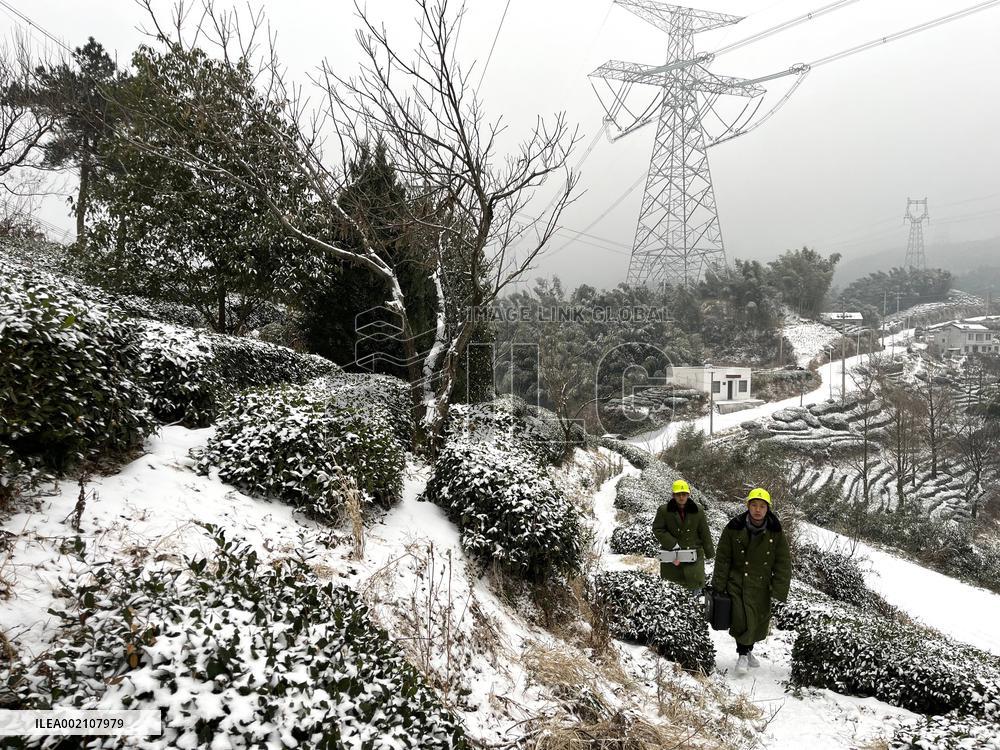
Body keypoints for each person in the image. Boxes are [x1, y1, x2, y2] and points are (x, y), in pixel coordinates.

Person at [710, 487, 792, 674]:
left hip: (761, 585)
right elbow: (723, 557)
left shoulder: (775, 531)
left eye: (762, 506)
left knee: (756, 621)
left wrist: (779, 589)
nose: (757, 509)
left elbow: (783, 562)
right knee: (741, 618)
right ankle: (742, 655)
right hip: (737, 581)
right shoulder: (734, 526)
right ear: (748, 506)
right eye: (754, 504)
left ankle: (748, 650)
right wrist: (719, 585)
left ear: (767, 509)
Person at [652, 479, 714, 590]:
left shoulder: (698, 510)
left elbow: (704, 532)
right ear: (673, 495)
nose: (681, 497)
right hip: (672, 559)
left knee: (695, 590)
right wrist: (673, 543)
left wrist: (710, 554)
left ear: (688, 494)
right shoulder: (664, 510)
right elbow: (658, 529)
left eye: (684, 494)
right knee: (672, 593)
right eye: (678, 494)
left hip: (693, 557)